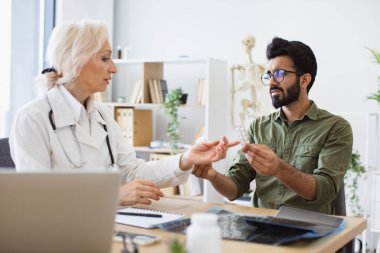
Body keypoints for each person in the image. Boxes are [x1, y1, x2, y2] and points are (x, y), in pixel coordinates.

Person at [9, 19, 238, 206]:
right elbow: (37, 201)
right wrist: (113, 197)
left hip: (108, 226)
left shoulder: (102, 115)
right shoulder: (32, 119)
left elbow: (134, 171)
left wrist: (186, 159)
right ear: (75, 61)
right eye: (105, 58)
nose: (114, 68)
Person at [192, 37, 353, 214]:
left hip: (310, 228)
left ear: (304, 80)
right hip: (261, 225)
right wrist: (212, 175)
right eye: (269, 75)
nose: (271, 82)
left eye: (279, 74)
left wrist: (279, 169)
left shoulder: (336, 127)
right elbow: (236, 186)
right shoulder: (259, 126)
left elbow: (326, 191)